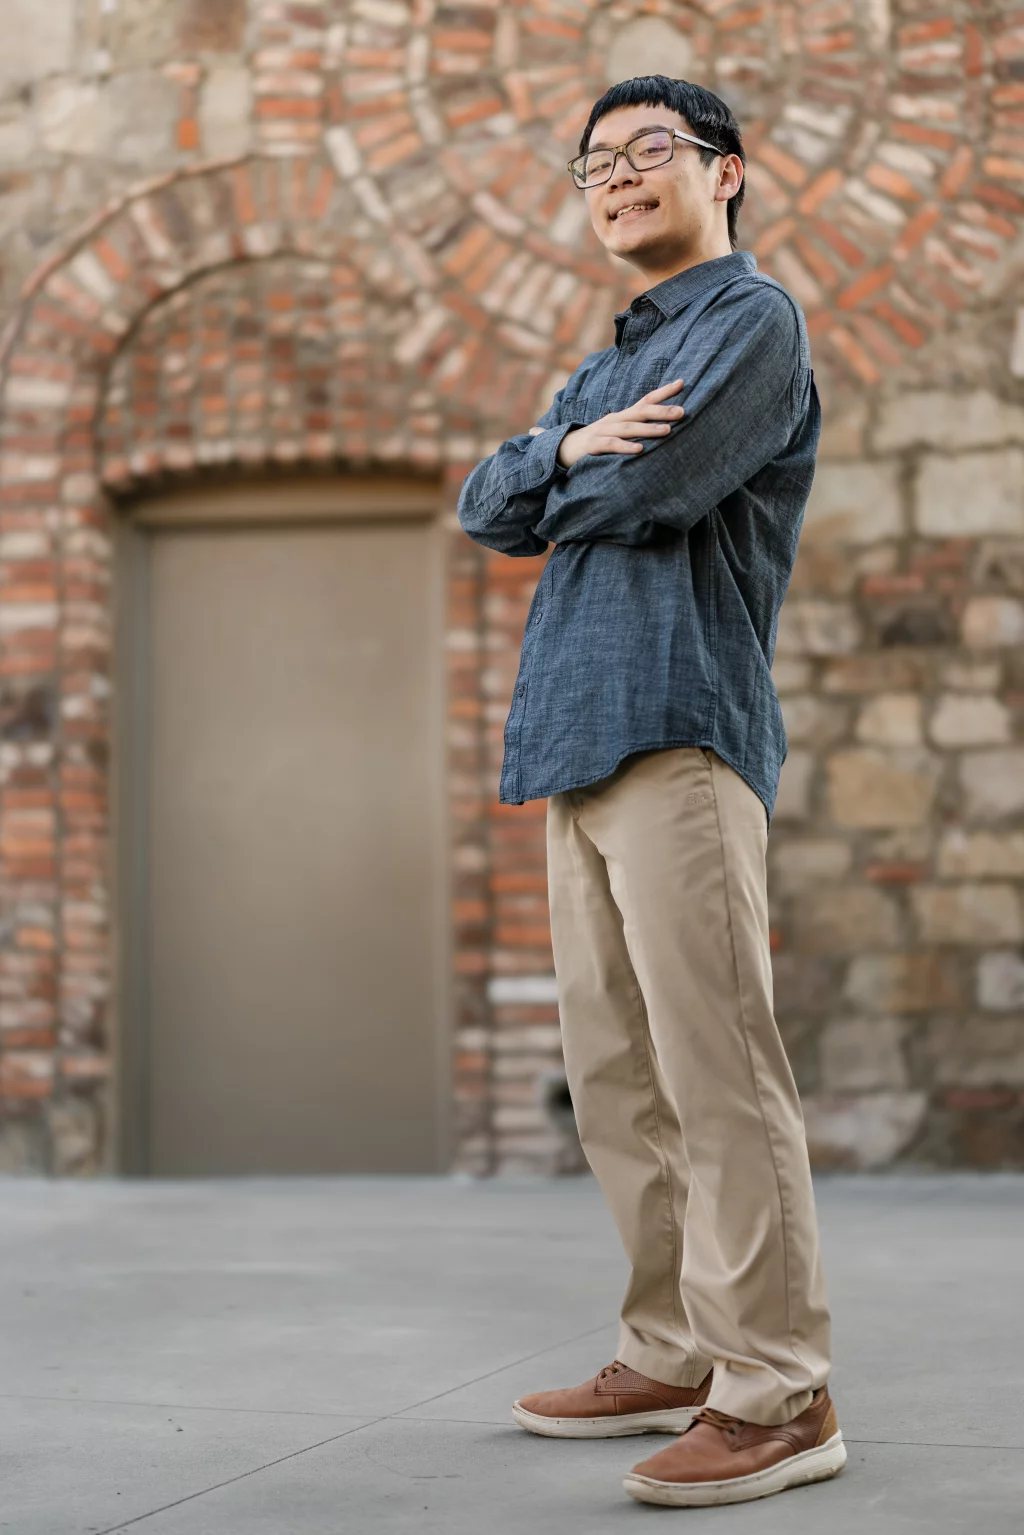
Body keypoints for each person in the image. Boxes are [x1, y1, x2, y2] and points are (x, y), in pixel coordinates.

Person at [457, 75, 843, 1509]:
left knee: (717, 1070)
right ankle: (674, 1347)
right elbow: (489, 502)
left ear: (726, 174)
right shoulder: (610, 358)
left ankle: (781, 1388)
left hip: (680, 730)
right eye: (596, 162)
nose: (619, 177)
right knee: (624, 1081)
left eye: (652, 152)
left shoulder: (751, 322)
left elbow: (652, 496)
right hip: (575, 740)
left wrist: (574, 476)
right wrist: (563, 449)